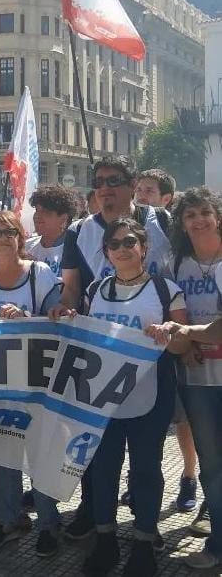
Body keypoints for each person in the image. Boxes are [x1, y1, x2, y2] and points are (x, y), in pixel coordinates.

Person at [51, 218, 189, 577]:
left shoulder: (165, 290)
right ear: (106, 253)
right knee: (103, 469)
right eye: (114, 245)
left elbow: (183, 345)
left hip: (151, 394)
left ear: (143, 247)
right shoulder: (95, 289)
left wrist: (170, 333)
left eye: (129, 242)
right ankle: (105, 539)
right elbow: (85, 336)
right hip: (102, 398)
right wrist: (64, 316)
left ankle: (143, 542)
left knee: (146, 469)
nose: (122, 249)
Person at [59, 156, 172, 540]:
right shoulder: (79, 231)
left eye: (113, 181)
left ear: (132, 183)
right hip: (102, 364)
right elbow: (72, 288)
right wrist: (64, 309)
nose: (105, 189)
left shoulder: (161, 221)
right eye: (99, 182)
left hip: (152, 363)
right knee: (99, 451)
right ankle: (94, 514)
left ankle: (145, 524)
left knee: (146, 457)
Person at [0, 211, 62, 557]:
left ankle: (49, 524)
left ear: (20, 236)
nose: (3, 238)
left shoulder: (40, 273)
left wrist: (28, 319)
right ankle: (9, 520)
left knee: (41, 456)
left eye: (9, 232)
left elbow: (58, 321)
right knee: (0, 456)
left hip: (36, 382)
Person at [164, 187, 222, 568]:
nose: (198, 220)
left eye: (204, 212)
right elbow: (173, 317)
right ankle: (218, 545)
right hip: (198, 378)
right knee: (212, 464)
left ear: (218, 217)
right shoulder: (177, 265)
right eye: (190, 215)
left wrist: (188, 334)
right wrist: (185, 345)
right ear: (182, 225)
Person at [25, 185, 77, 278]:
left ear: (63, 219)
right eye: (37, 210)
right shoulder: (26, 247)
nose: (37, 216)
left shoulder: (74, 251)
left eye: (45, 212)